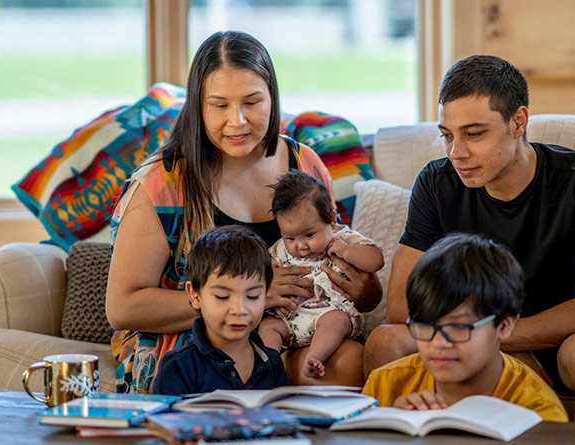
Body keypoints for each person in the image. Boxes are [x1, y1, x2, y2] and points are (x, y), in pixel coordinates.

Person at [362, 55, 575, 423]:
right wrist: (478, 341)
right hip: (466, 336)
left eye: (474, 134)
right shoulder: (435, 183)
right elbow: (403, 309)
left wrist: (497, 339)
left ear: (518, 122)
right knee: (385, 339)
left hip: (557, 340)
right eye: (448, 135)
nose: (456, 153)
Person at [107, 30, 381, 394]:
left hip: (293, 332)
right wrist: (250, 298)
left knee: (347, 360)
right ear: (198, 106)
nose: (237, 121)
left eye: (252, 102)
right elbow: (123, 308)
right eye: (219, 105)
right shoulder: (163, 182)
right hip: (196, 349)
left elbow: (342, 257)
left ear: (272, 98)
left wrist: (363, 288)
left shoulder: (305, 164)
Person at [362, 233, 567, 422]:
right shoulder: (385, 385)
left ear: (504, 326)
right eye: (424, 325)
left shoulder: (538, 412)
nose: (439, 343)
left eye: (459, 327)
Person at [258, 171, 384, 379]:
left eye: (309, 235)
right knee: (269, 326)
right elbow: (263, 271)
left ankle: (315, 358)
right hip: (290, 318)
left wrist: (347, 251)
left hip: (328, 313)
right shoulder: (279, 250)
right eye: (290, 238)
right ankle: (267, 364)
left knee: (337, 321)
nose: (301, 246)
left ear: (331, 220)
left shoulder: (343, 238)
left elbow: (376, 260)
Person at [152, 226, 288, 395]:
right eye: (223, 297)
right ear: (194, 295)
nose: (239, 310)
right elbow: (163, 422)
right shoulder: (178, 366)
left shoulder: (273, 362)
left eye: (252, 296)